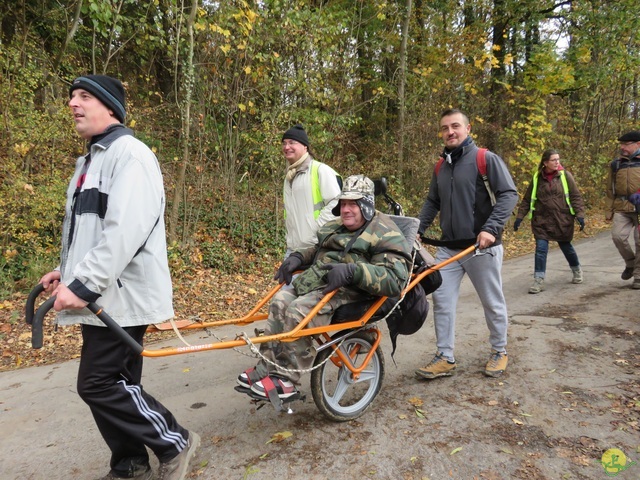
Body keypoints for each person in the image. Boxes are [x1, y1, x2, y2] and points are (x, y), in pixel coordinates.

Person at [38, 75, 199, 480]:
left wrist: (84, 284)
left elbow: (125, 230)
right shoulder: (89, 162)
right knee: (119, 381)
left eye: (84, 96)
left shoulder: (130, 154)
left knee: (97, 383)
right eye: (71, 95)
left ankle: (175, 441)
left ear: (110, 107)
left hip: (121, 294)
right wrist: (68, 273)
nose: (73, 103)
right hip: (103, 292)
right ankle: (129, 462)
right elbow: (89, 233)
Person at [236, 175, 411, 401]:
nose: (346, 210)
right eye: (343, 203)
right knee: (280, 301)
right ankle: (268, 365)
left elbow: (396, 278)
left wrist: (353, 271)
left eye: (353, 204)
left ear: (366, 205)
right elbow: (318, 248)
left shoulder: (386, 232)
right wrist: (298, 258)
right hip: (320, 279)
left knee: (298, 310)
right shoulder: (336, 226)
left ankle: (287, 379)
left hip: (354, 290)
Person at [415, 108, 518, 380]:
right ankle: (445, 357)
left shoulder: (485, 159)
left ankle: (499, 351)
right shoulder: (441, 165)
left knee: (491, 301)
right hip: (449, 248)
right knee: (442, 300)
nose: (450, 131)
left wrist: (491, 229)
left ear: (468, 128)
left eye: (455, 126)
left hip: (480, 247)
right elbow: (432, 201)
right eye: (445, 127)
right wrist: (418, 228)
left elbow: (509, 194)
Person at [513, 149, 586, 294]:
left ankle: (576, 269)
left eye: (558, 159)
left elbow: (575, 197)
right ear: (545, 163)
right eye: (554, 160)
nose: (557, 162)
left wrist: (580, 215)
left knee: (566, 247)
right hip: (542, 221)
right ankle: (538, 280)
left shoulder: (565, 176)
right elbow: (527, 199)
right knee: (541, 249)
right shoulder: (537, 178)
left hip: (562, 219)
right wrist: (520, 217)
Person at [281, 124, 342, 256]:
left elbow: (337, 203)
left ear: (305, 146)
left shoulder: (321, 171)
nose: (286, 147)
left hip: (316, 249)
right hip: (293, 249)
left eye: (292, 142)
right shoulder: (289, 177)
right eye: (284, 143)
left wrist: (316, 231)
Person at [606, 130, 640, 289]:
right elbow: (610, 188)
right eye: (621, 144)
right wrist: (608, 210)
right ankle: (631, 264)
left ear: (638, 144)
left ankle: (638, 276)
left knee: (639, 241)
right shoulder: (616, 164)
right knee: (618, 236)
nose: (623, 147)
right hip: (621, 207)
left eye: (626, 144)